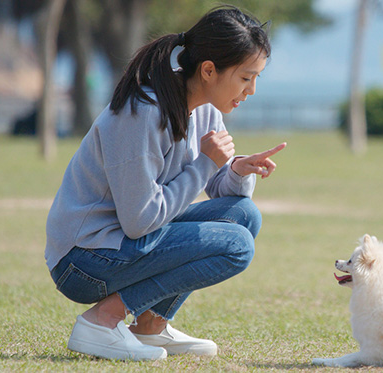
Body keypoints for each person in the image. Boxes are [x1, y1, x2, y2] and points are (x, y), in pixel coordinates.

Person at [44, 6, 285, 361]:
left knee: (244, 216)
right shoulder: (142, 111)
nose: (250, 91)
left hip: (123, 244)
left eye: (255, 79)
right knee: (237, 245)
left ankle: (150, 327)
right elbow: (140, 219)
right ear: (208, 70)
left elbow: (218, 188)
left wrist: (235, 172)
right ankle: (102, 321)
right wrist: (206, 164)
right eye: (245, 78)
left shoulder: (205, 109)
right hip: (83, 260)